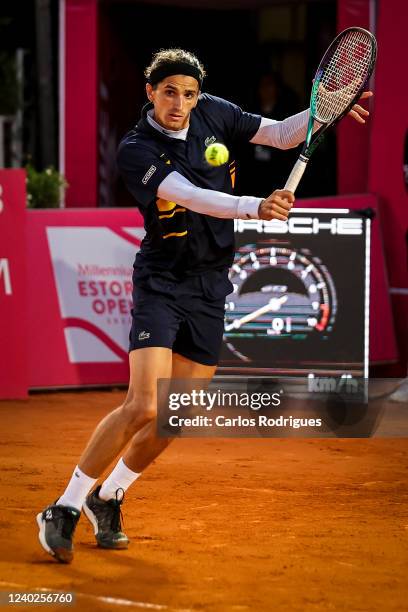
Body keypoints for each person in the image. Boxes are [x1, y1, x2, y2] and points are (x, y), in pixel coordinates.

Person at [36, 48, 371, 563]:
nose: (180, 103)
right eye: (169, 91)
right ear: (150, 92)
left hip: (211, 282)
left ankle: (110, 497)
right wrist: (254, 207)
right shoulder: (136, 148)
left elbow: (282, 134)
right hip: (163, 281)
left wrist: (324, 110)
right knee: (144, 404)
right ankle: (65, 506)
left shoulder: (215, 112)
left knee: (175, 414)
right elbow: (189, 195)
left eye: (188, 93)